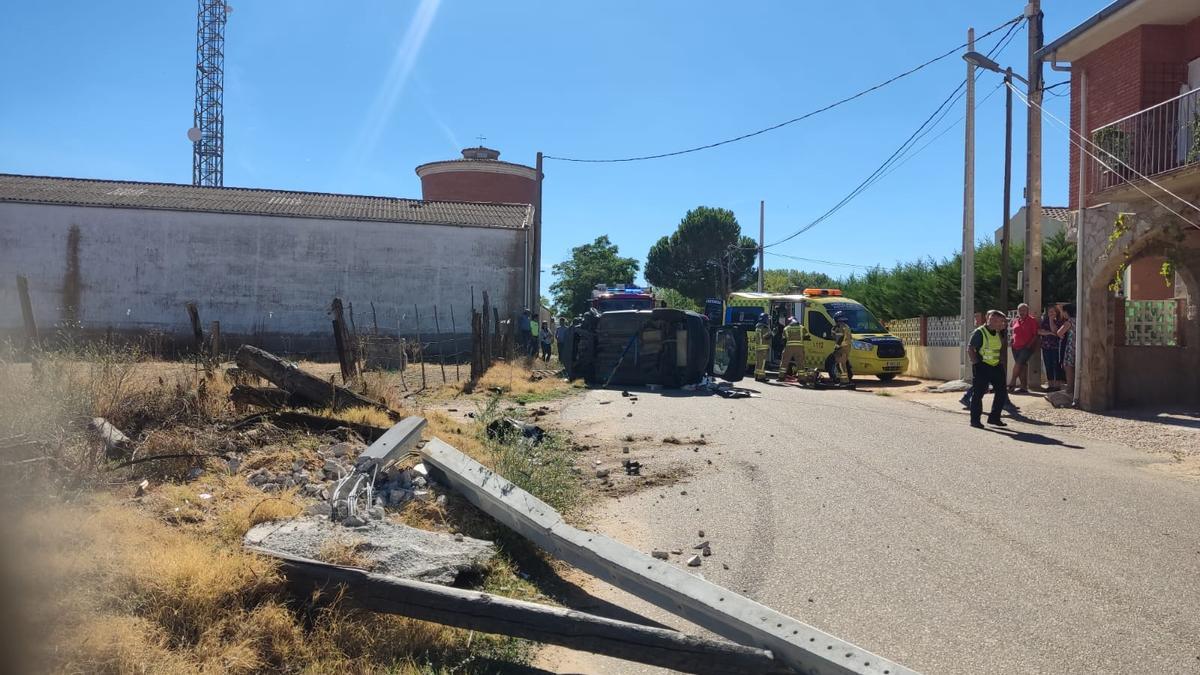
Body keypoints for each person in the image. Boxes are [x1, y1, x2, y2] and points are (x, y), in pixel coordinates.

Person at [968, 310, 1011, 428]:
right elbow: (970, 349)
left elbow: (1000, 349)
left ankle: (994, 418)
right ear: (989, 319)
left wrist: (1001, 362)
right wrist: (977, 364)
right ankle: (975, 420)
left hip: (996, 366)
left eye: (1001, 321)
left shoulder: (999, 333)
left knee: (1001, 392)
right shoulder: (979, 332)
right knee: (979, 393)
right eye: (996, 320)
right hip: (982, 365)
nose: (999, 323)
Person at [1007, 303, 1038, 393]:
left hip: (1026, 347)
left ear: (1027, 311)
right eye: (1020, 310)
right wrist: (1012, 340)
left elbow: (1035, 335)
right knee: (1022, 366)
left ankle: (1012, 382)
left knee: (1018, 363)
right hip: (1015, 347)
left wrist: (1029, 345)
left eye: (1023, 310)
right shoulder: (1015, 321)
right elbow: (1014, 332)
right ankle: (1023, 387)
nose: (1021, 312)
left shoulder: (1032, 320)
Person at [1038, 304, 1064, 391]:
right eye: (1049, 311)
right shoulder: (1044, 321)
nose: (1051, 313)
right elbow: (1039, 331)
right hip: (1046, 346)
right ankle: (1051, 385)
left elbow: (1055, 331)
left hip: (1056, 347)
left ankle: (1057, 385)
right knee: (1048, 365)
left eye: (1053, 311)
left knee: (1056, 365)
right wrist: (1049, 333)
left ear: (1056, 312)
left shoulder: (1059, 321)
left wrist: (1051, 321)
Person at [1057, 303, 1077, 396]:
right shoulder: (1079, 320)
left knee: (1068, 366)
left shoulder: (1068, 322)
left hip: (1070, 345)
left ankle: (1070, 388)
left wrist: (1062, 336)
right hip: (1079, 346)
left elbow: (1059, 332)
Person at [831, 312, 852, 384]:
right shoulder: (846, 326)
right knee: (843, 364)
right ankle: (844, 380)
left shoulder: (839, 327)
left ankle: (844, 381)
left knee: (840, 364)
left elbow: (840, 337)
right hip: (847, 347)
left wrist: (837, 347)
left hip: (841, 347)